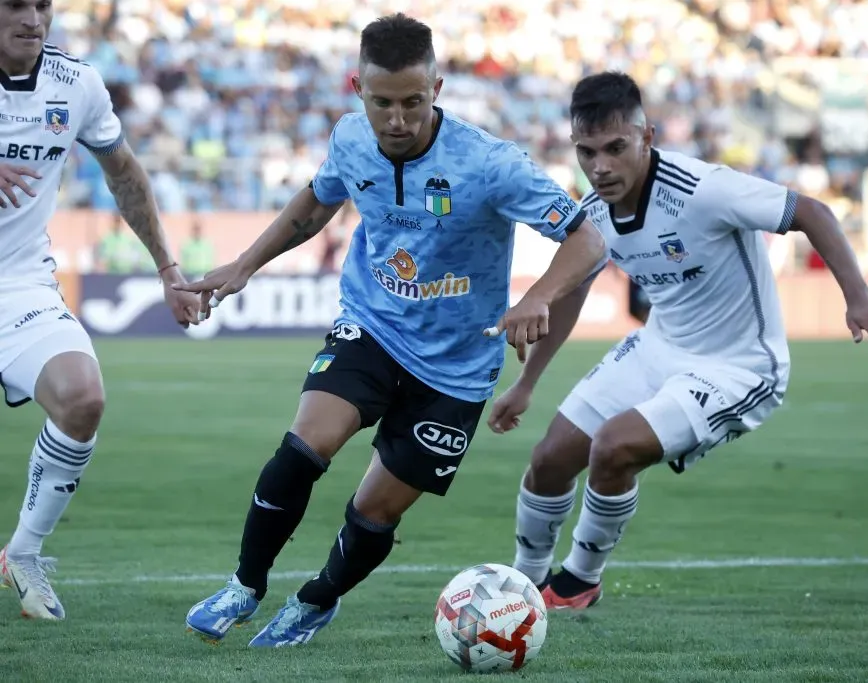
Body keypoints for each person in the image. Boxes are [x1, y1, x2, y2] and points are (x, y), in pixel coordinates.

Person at [177, 13, 605, 648]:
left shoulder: (490, 164)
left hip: (458, 368)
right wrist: (244, 265)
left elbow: (587, 238)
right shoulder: (350, 138)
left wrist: (538, 294)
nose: (397, 119)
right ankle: (245, 585)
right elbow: (318, 200)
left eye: (412, 101)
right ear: (358, 89)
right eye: (383, 103)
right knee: (306, 444)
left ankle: (315, 601)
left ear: (438, 86)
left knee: (375, 511)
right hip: (373, 325)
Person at [488, 72, 868, 610]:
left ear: (647, 137)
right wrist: (527, 383)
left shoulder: (703, 189)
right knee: (548, 458)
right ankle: (520, 587)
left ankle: (579, 580)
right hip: (661, 347)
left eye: (616, 148)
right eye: (587, 152)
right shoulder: (593, 217)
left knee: (613, 447)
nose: (600, 166)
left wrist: (860, 298)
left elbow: (812, 212)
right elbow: (568, 296)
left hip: (739, 366)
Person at [0, 2, 197, 620]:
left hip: (18, 285)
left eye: (42, 5)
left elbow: (125, 173)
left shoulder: (76, 83)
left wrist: (168, 270)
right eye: (14, 5)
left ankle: (22, 554)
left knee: (82, 397)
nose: (32, 19)